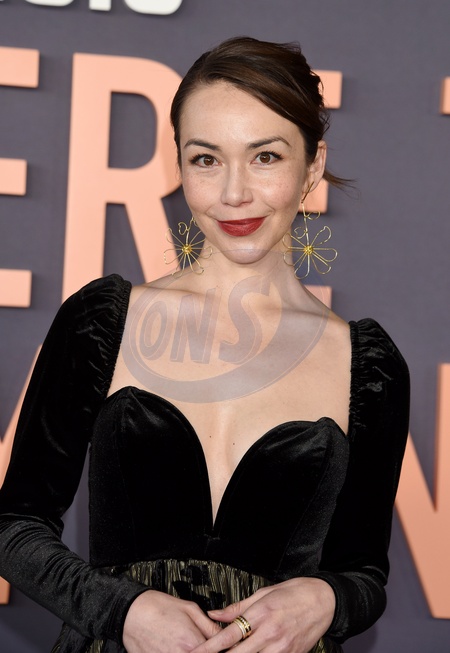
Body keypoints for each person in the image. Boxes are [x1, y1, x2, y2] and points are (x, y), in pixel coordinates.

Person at [0, 36, 409, 653]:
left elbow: (364, 573)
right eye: (206, 159)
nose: (234, 193)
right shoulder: (103, 322)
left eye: (265, 156)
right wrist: (121, 610)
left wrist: (325, 599)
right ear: (180, 165)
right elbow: (14, 527)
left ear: (312, 166)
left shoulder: (366, 366)